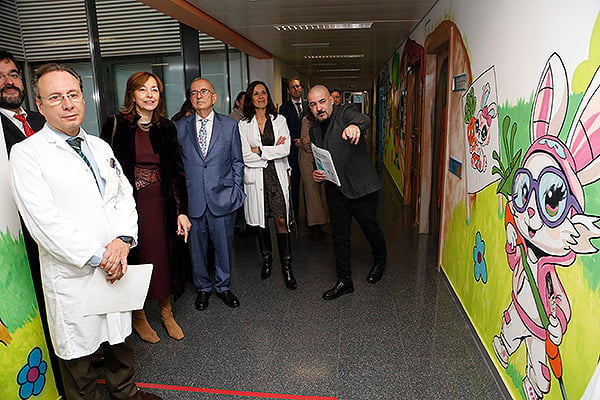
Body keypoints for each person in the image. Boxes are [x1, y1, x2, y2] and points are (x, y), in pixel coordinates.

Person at [9, 63, 161, 400]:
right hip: (74, 273)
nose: (67, 104)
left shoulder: (99, 146)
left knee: (119, 339)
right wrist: (100, 257)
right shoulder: (26, 155)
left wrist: (122, 242)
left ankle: (126, 394)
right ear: (40, 104)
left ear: (83, 98)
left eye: (73, 95)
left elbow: (123, 196)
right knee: (79, 357)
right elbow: (44, 222)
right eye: (56, 97)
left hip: (114, 262)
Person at [100, 71, 191, 344]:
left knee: (163, 258)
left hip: (160, 206)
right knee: (136, 259)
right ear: (132, 95)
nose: (150, 95)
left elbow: (177, 173)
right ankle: (138, 315)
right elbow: (105, 170)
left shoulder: (167, 127)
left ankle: (166, 312)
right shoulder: (115, 124)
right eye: (143, 90)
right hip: (129, 207)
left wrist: (181, 211)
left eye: (155, 89)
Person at [307, 85, 387, 300]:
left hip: (361, 188)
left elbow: (363, 119)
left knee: (370, 229)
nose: (318, 108)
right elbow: (320, 160)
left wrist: (355, 127)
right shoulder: (314, 130)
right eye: (313, 104)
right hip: (335, 190)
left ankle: (380, 259)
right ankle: (345, 281)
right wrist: (318, 173)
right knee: (340, 236)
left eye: (322, 101)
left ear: (331, 101)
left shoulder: (345, 114)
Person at [175, 78, 245, 311]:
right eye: (194, 93)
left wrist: (236, 191)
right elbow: (178, 167)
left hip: (223, 198)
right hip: (193, 200)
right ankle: (203, 288)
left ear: (214, 98)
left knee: (224, 247)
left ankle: (223, 287)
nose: (199, 96)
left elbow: (237, 161)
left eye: (204, 91)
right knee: (196, 250)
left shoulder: (229, 125)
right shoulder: (180, 128)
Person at [238, 81, 296, 290]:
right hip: (256, 179)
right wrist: (271, 150)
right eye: (256, 93)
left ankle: (287, 267)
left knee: (282, 220)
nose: (260, 96)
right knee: (262, 222)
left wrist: (260, 151)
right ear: (250, 98)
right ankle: (267, 260)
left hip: (277, 177)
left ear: (268, 96)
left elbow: (286, 149)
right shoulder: (243, 124)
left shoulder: (279, 119)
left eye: (264, 92)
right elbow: (244, 155)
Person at [298, 113, 329, 244]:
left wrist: (310, 139)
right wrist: (308, 140)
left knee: (322, 195)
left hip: (321, 160)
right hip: (307, 160)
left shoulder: (326, 119)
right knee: (312, 194)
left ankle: (320, 226)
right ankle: (314, 230)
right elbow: (305, 144)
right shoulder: (307, 120)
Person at [278, 77, 306, 222]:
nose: (297, 89)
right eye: (293, 87)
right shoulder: (284, 108)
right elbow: (285, 128)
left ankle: (312, 219)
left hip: (308, 152)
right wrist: (296, 139)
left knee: (309, 187)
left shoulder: (308, 106)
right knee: (294, 185)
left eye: (298, 86)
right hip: (293, 152)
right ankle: (294, 216)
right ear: (289, 91)